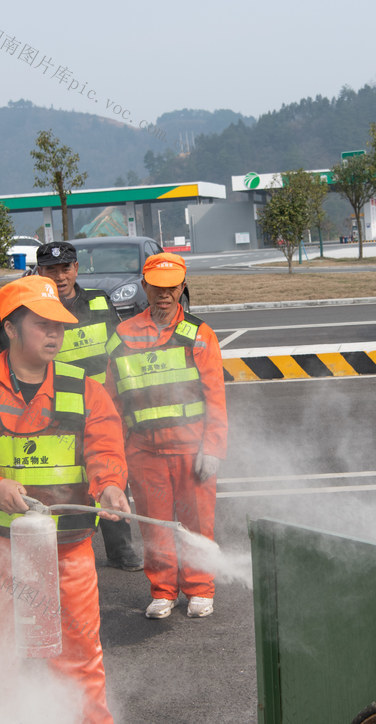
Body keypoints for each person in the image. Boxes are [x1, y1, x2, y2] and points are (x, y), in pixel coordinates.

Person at [0, 276, 130, 724]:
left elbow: (104, 450)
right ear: (11, 328)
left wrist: (111, 485)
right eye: (44, 325)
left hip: (67, 550)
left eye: (59, 325)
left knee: (78, 653)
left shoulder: (84, 389)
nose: (56, 334)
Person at [104, 252, 228, 619]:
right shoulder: (122, 337)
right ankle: (163, 590)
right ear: (145, 287)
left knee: (197, 524)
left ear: (182, 287)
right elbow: (111, 401)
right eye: (157, 287)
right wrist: (117, 453)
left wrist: (214, 447)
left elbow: (215, 396)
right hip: (143, 451)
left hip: (192, 450)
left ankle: (200, 589)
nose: (164, 294)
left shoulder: (199, 334)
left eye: (171, 287)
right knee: (154, 524)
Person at [36, 240, 143, 571]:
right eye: (51, 269)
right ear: (40, 272)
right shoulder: (35, 309)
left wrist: (126, 403)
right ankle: (61, 552)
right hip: (57, 415)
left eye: (65, 268)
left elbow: (119, 355)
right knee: (60, 483)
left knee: (110, 478)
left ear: (76, 269)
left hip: (102, 412)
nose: (59, 276)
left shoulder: (98, 302)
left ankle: (120, 547)